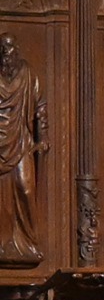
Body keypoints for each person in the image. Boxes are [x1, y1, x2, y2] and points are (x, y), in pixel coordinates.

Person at [0, 33, 45, 265]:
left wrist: (43, 137)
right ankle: (4, 244)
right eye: (2, 49)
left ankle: (29, 242)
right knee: (2, 198)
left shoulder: (28, 74)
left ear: (16, 50)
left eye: (8, 48)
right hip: (1, 142)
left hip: (23, 141)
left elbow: (40, 106)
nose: (5, 54)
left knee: (25, 189)